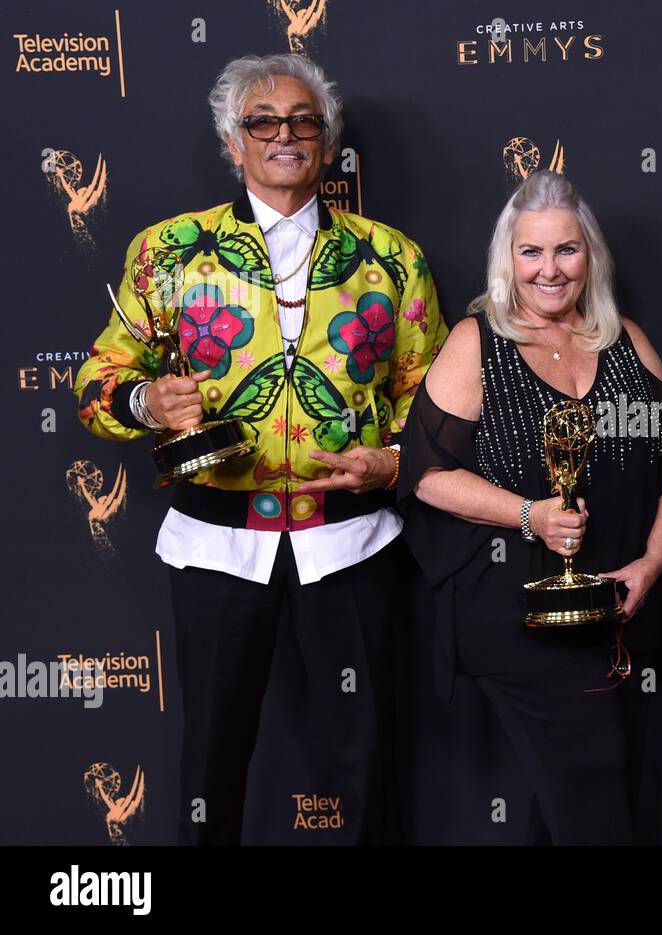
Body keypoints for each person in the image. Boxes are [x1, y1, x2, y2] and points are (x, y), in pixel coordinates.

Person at [74, 53, 445, 844]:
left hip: (350, 541)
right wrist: (146, 400)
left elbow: (434, 402)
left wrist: (399, 462)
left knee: (368, 763)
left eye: (305, 121)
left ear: (328, 143)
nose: (287, 134)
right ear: (231, 142)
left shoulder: (392, 257)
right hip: (214, 544)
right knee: (211, 763)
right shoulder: (167, 252)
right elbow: (98, 379)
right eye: (264, 122)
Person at [398, 170, 662, 844]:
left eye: (566, 250)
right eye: (531, 252)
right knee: (594, 799)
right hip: (517, 612)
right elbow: (426, 475)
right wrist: (531, 515)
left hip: (615, 613)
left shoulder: (627, 344)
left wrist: (651, 562)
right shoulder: (478, 343)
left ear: (591, 257)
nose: (549, 270)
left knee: (574, 802)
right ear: (509, 259)